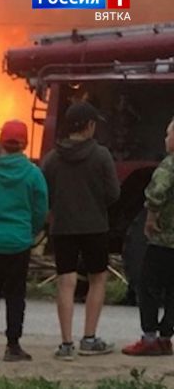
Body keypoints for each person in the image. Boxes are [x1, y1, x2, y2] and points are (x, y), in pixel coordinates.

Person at [41, 101, 121, 360]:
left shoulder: (52, 158)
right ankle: (89, 338)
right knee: (97, 279)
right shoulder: (101, 155)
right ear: (89, 126)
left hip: (63, 227)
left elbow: (45, 194)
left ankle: (66, 344)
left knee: (66, 281)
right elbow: (113, 193)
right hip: (95, 226)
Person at [0, 120, 48, 362]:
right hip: (18, 242)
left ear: (0, 142)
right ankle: (13, 345)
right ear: (24, 144)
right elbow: (40, 209)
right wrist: (29, 232)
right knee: (15, 295)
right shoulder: (33, 174)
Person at [122, 117, 174, 356]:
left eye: (168, 134)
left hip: (163, 240)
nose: (165, 139)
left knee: (148, 286)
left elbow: (158, 191)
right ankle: (166, 337)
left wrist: (151, 216)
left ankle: (149, 337)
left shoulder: (168, 166)